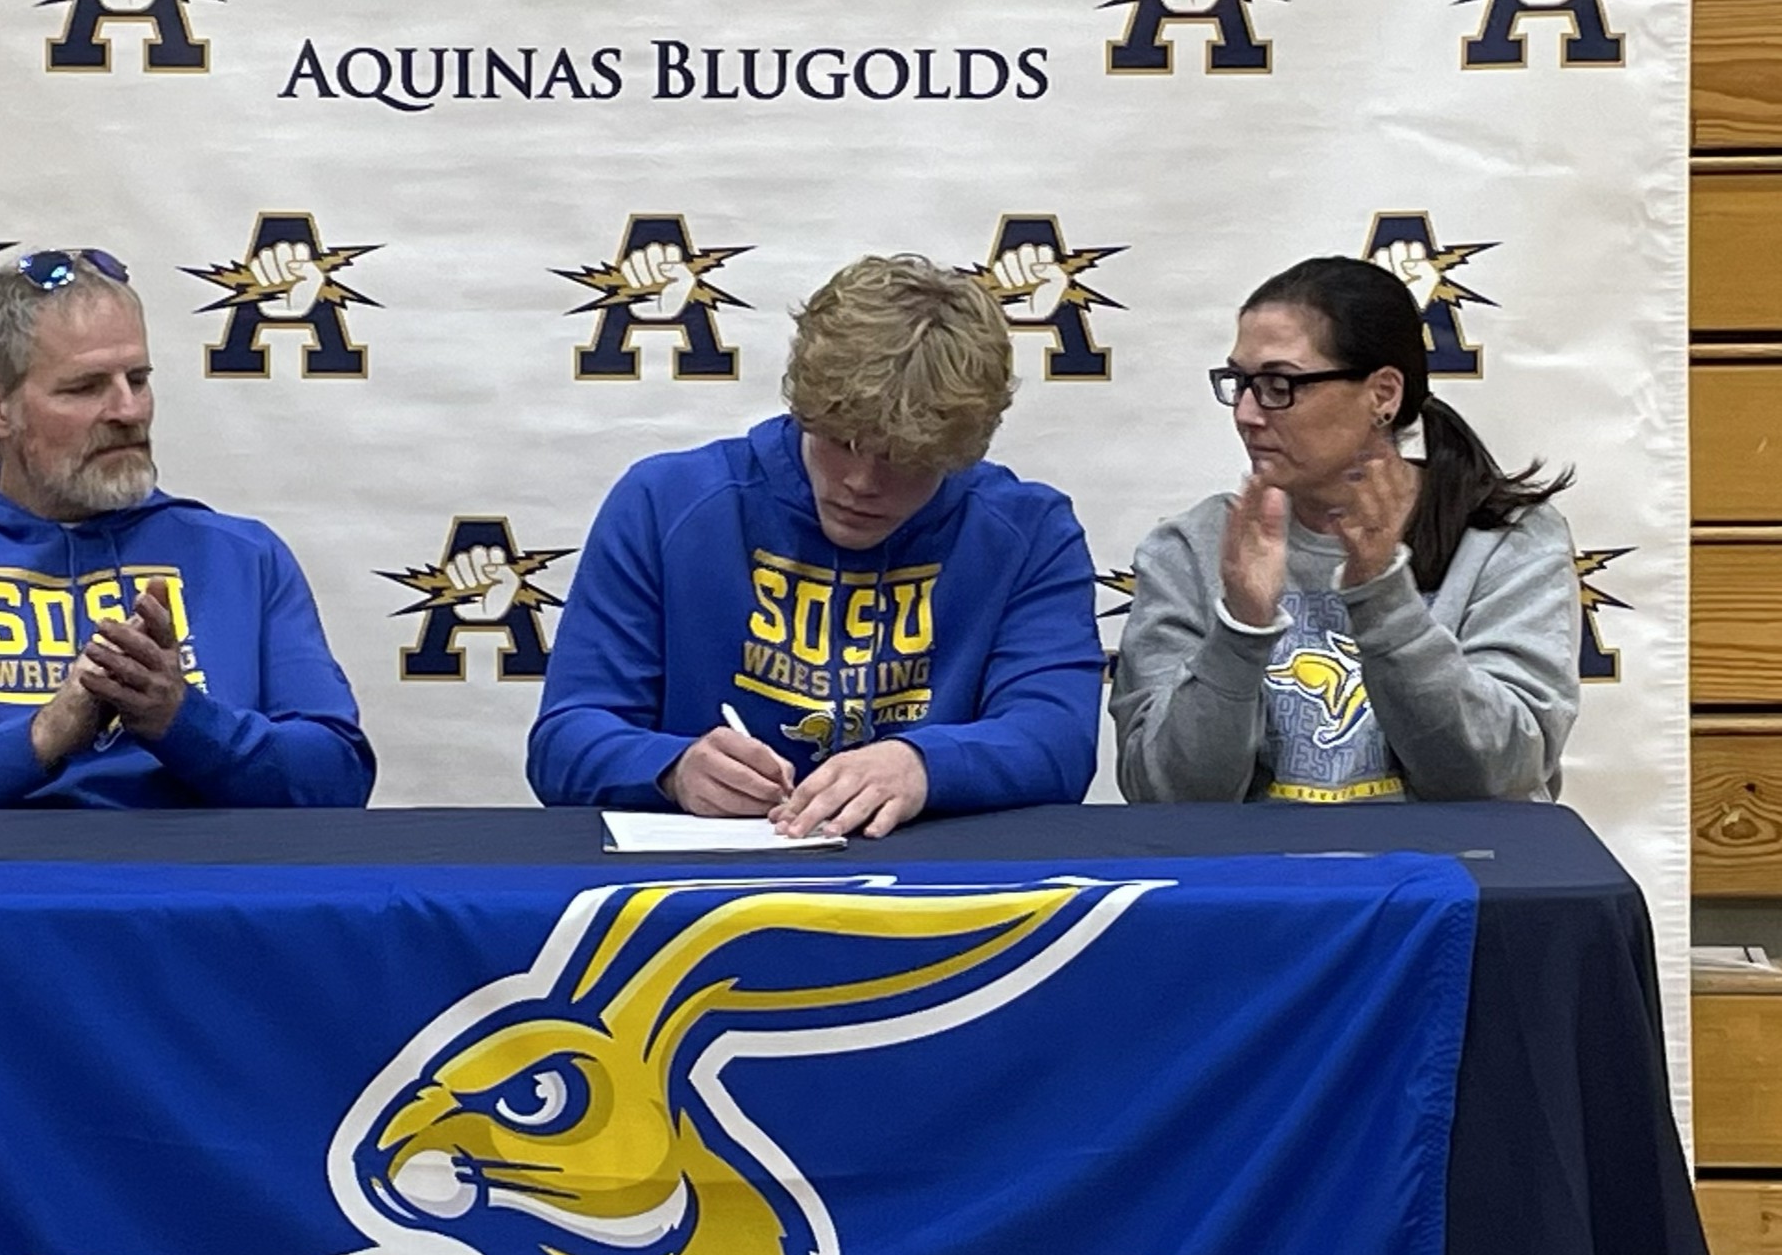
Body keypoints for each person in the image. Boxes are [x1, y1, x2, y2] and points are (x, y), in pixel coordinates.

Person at [527, 253, 1102, 838]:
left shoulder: (1029, 531)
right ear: (804, 406)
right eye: (842, 440)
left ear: (962, 451)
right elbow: (566, 738)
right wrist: (671, 770)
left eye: (907, 459)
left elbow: (1057, 740)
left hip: (934, 894)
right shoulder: (665, 502)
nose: (862, 482)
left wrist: (922, 766)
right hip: (703, 891)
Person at [0, 247, 374, 809]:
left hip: (205, 905)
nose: (128, 411)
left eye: (137, 379)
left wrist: (183, 720)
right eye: (86, 387)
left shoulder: (243, 559)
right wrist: (42, 735)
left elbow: (337, 778)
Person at [1112, 254, 1578, 803]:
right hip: (1259, 884)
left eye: (1278, 384)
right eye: (1238, 382)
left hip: (1452, 881)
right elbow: (1164, 796)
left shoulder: (1506, 541)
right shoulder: (1191, 549)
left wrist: (1382, 595)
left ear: (1382, 394)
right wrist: (1239, 630)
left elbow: (1496, 777)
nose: (1245, 412)